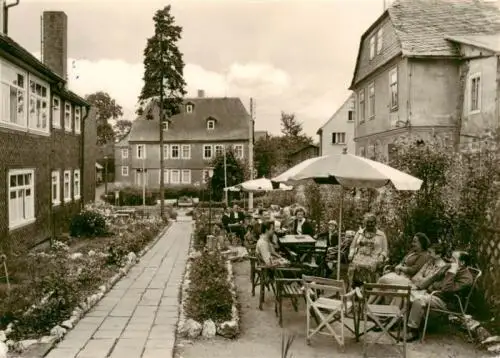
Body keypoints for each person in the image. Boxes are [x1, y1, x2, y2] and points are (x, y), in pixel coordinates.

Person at [404, 250, 474, 341]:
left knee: (418, 300)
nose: (449, 260)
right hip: (433, 294)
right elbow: (434, 278)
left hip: (446, 301)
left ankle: (413, 331)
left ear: (462, 263)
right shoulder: (448, 266)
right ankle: (401, 322)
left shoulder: (466, 279)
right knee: (407, 292)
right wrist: (418, 287)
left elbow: (447, 290)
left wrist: (452, 272)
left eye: (453, 259)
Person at [347, 213, 388, 287]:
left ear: (375, 223)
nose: (370, 224)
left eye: (372, 222)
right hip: (359, 256)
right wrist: (351, 253)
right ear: (365, 223)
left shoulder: (381, 235)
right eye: (368, 222)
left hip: (374, 257)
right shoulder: (360, 233)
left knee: (368, 267)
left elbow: (385, 250)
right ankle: (354, 288)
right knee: (353, 267)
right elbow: (352, 246)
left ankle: (369, 289)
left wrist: (382, 256)